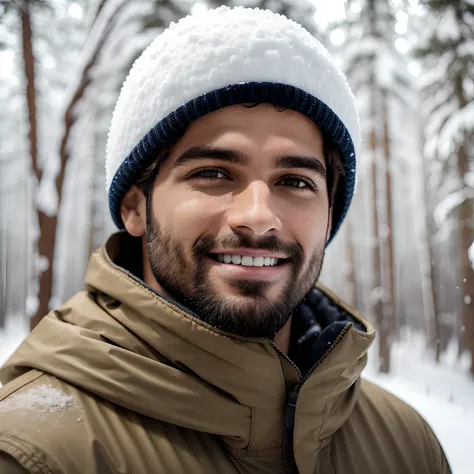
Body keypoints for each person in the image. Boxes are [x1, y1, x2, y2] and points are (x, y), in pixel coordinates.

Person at [0, 6, 450, 474]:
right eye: (213, 173)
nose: (258, 218)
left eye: (295, 181)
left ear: (329, 214)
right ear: (136, 206)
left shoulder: (407, 446)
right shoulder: (34, 453)